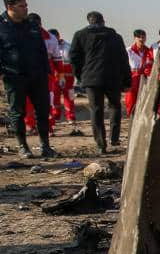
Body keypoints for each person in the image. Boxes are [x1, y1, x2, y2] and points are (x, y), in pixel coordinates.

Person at [0, 0, 56, 158]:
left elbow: (41, 49)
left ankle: (45, 146)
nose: (25, 9)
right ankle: (23, 146)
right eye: (21, 6)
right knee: (17, 112)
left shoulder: (32, 24)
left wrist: (47, 71)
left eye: (26, 5)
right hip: (14, 77)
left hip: (37, 75)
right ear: (10, 7)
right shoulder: (1, 26)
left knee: (43, 111)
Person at [70, 11, 129, 154]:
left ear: (89, 21)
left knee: (96, 110)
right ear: (103, 21)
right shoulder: (115, 37)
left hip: (91, 79)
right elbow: (123, 60)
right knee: (115, 106)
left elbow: (74, 58)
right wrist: (127, 81)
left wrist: (80, 76)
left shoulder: (80, 35)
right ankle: (114, 138)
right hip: (113, 78)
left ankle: (101, 144)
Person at [49, 29, 76, 127]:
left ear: (58, 36)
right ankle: (55, 116)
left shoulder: (68, 46)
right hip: (55, 76)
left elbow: (73, 61)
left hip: (68, 77)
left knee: (69, 96)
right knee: (54, 96)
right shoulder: (49, 46)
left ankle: (70, 116)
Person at [124, 29, 153, 117]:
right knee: (131, 101)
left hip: (144, 79)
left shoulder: (149, 51)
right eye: (139, 37)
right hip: (132, 78)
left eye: (143, 37)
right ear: (134, 38)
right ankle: (131, 118)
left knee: (144, 101)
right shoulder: (128, 51)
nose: (141, 39)